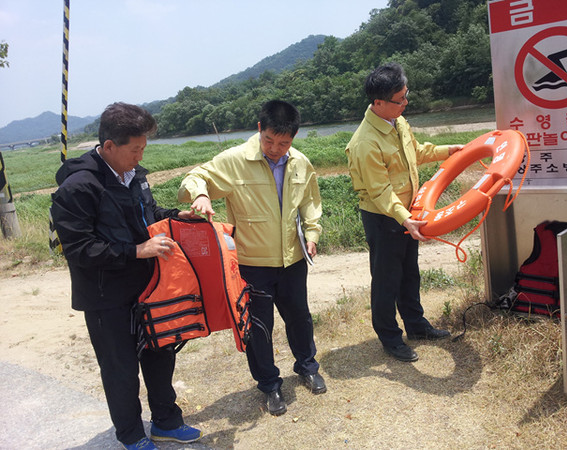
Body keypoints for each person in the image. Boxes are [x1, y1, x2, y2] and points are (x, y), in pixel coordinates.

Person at [51, 103, 201, 450]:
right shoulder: (78, 188)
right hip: (106, 297)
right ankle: (132, 435)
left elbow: (147, 216)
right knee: (120, 369)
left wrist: (177, 216)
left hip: (149, 288)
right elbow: (79, 250)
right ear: (108, 147)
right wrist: (136, 251)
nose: (140, 156)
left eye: (143, 148)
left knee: (161, 354)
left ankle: (166, 421)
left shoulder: (136, 176)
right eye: (135, 150)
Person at [178, 100, 326, 416]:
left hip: (293, 260)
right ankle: (270, 386)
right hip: (251, 263)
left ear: (294, 137)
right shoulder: (235, 160)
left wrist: (312, 236)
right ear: (260, 129)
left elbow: (311, 203)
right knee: (258, 327)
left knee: (300, 317)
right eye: (269, 140)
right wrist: (201, 194)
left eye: (284, 142)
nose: (275, 148)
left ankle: (307, 366)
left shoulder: (300, 162)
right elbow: (193, 177)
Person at [345, 63, 463, 362]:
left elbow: (417, 151)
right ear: (378, 102)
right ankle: (390, 337)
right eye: (400, 99)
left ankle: (417, 325)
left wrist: (449, 150)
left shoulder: (397, 122)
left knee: (410, 273)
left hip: (407, 213)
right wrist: (406, 220)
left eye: (406, 95)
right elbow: (380, 192)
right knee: (386, 279)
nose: (406, 102)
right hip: (384, 218)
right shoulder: (365, 142)